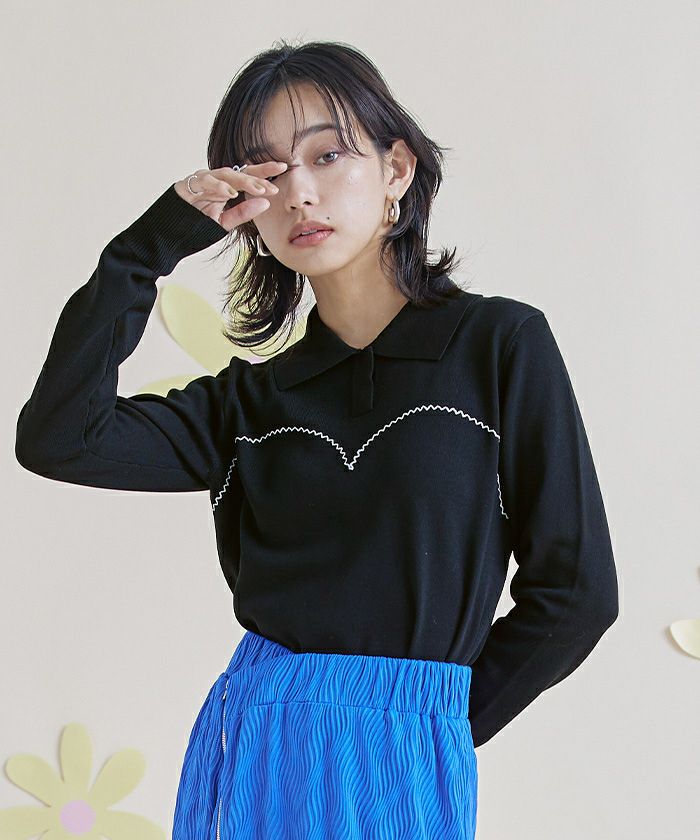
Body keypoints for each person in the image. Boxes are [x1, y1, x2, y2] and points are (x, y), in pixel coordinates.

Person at [14, 39, 619, 840]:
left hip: (406, 744)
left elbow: (577, 593)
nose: (298, 192)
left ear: (396, 170)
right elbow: (60, 437)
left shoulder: (499, 346)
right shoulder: (250, 401)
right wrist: (148, 246)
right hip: (263, 740)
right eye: (267, 172)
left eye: (328, 155)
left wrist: (431, 725)